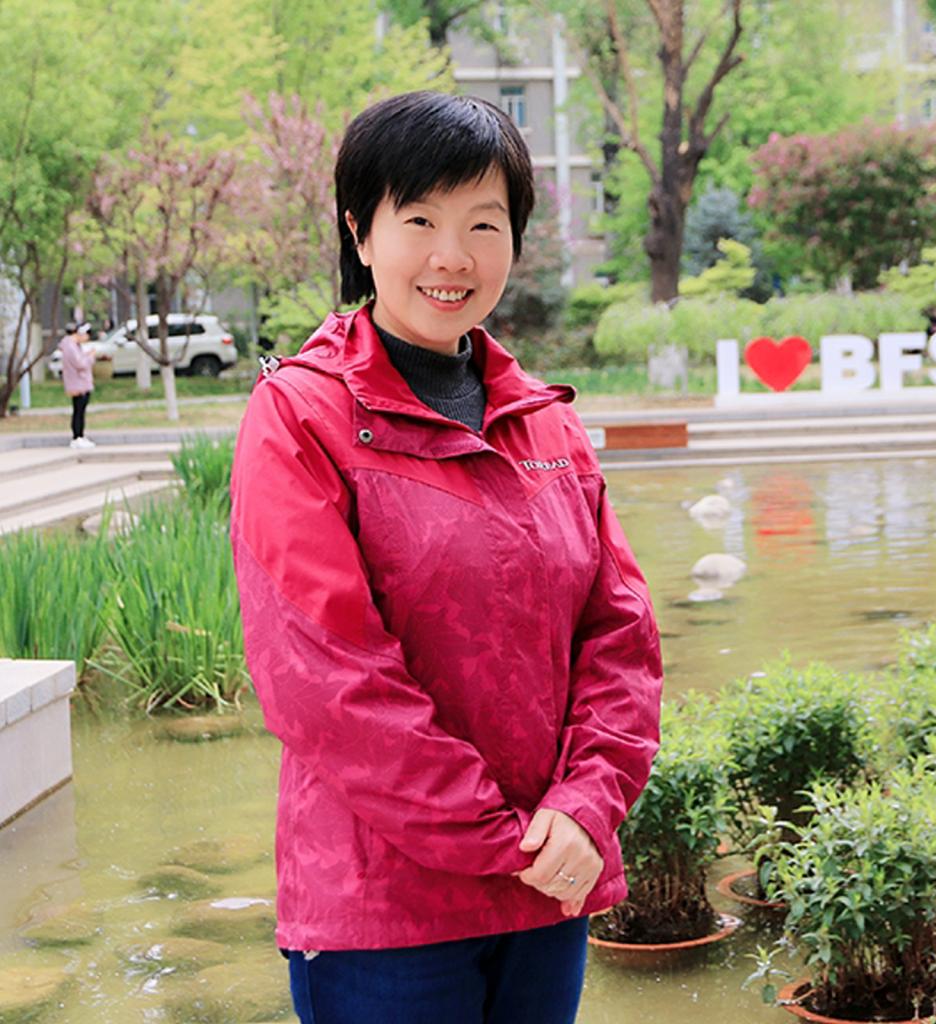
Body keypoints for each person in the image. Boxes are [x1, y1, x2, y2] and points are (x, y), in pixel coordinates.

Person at [230, 91, 662, 1024]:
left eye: (483, 223)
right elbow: (327, 681)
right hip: (384, 908)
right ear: (360, 231)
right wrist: (503, 840)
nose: (452, 256)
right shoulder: (302, 416)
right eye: (419, 220)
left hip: (548, 884)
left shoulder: (544, 421)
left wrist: (587, 805)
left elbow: (620, 635)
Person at [59, 322, 96, 449]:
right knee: (78, 411)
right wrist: (90, 357)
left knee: (80, 410)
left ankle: (80, 435)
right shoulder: (70, 346)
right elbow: (80, 364)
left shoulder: (73, 346)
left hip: (79, 382)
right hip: (78, 383)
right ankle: (77, 436)